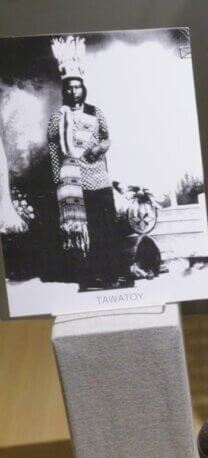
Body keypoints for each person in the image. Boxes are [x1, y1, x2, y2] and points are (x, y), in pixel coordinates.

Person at [48, 36, 124, 290]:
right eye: (68, 87)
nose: (73, 91)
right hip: (74, 181)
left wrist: (100, 147)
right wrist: (58, 176)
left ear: (83, 88)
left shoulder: (95, 112)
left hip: (99, 178)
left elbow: (107, 137)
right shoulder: (58, 116)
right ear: (64, 90)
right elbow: (53, 147)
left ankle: (111, 273)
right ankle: (89, 277)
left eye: (77, 87)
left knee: (105, 227)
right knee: (82, 230)